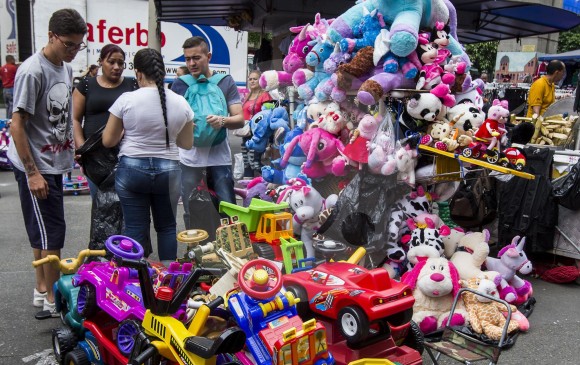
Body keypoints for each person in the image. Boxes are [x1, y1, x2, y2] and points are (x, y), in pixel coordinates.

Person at [7, 8, 87, 317]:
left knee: (43, 231)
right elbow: (17, 125)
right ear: (51, 36)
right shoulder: (32, 71)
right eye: (69, 44)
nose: (74, 50)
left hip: (54, 161)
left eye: (78, 45)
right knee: (52, 234)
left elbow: (60, 119)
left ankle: (42, 291)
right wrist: (32, 173)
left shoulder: (65, 68)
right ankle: (56, 302)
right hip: (36, 165)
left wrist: (71, 149)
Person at [102, 48, 194, 264]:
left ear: (138, 73)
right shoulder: (181, 102)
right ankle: (168, 283)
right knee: (167, 227)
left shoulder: (127, 99)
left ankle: (137, 280)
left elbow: (108, 141)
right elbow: (187, 144)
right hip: (169, 171)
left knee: (135, 227)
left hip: (132, 169)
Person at [171, 36, 244, 229]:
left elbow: (240, 119)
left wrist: (223, 121)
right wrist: (183, 127)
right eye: (187, 59)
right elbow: (169, 123)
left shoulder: (225, 82)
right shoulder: (179, 84)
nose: (191, 63)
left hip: (219, 157)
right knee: (190, 209)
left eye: (196, 58)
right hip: (189, 158)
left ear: (208, 56)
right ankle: (196, 253)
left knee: (227, 209)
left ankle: (233, 252)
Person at [73, 44, 138, 198]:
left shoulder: (132, 84)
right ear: (101, 61)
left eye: (121, 63)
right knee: (100, 204)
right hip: (95, 157)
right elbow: (75, 119)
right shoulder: (86, 85)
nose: (116, 67)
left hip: (124, 155)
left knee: (127, 203)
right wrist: (82, 148)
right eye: (111, 62)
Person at [241, 69, 271, 177]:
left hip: (258, 134)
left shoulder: (265, 95)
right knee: (247, 162)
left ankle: (272, 175)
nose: (252, 81)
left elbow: (268, 114)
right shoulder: (247, 96)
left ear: (260, 80)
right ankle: (247, 186)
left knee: (255, 162)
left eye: (255, 79)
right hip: (246, 133)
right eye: (250, 79)